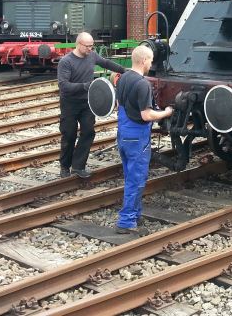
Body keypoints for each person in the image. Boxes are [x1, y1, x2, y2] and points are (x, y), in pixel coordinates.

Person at [115, 44, 173, 233]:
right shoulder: (142, 84)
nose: (151, 64)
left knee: (130, 176)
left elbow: (119, 104)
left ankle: (135, 213)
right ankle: (126, 221)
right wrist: (166, 112)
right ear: (144, 60)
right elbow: (147, 115)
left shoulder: (123, 78)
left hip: (123, 133)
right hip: (137, 137)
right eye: (150, 60)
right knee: (137, 179)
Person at [57, 32, 125, 178]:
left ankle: (78, 166)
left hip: (87, 102)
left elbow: (106, 63)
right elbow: (63, 85)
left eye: (91, 46)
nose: (90, 49)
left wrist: (124, 71)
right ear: (78, 44)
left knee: (88, 132)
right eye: (87, 46)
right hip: (69, 103)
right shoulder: (66, 62)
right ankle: (64, 166)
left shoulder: (92, 56)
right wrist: (85, 86)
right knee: (69, 134)